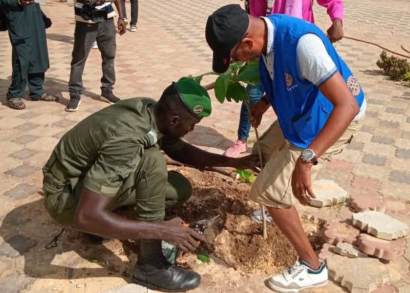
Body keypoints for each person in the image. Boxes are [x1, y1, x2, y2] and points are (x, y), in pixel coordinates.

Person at [205, 5, 366, 292]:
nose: (235, 63)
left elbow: (347, 106)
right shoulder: (267, 35)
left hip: (332, 116)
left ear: (247, 43)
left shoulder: (302, 44)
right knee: (262, 151)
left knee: (267, 191)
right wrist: (265, 102)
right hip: (305, 112)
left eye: (234, 57)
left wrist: (308, 158)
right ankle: (275, 209)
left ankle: (312, 267)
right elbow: (285, 73)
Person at [42, 78, 257, 292]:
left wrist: (232, 162)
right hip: (64, 198)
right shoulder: (127, 139)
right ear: (174, 121)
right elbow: (85, 216)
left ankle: (108, 215)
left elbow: (178, 149)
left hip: (80, 180)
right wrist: (162, 231)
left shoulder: (150, 109)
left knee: (177, 189)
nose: (191, 130)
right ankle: (151, 267)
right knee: (152, 161)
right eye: (191, 125)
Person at [225, 0, 344, 157]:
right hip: (262, 46)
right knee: (253, 93)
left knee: (295, 97)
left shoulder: (305, 45)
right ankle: (242, 139)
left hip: (295, 48)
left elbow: (332, 1)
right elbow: (253, 17)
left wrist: (337, 20)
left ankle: (296, 143)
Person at [66, 0, 126, 112]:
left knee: (109, 56)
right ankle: (75, 93)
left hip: (107, 20)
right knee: (79, 59)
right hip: (85, 21)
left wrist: (122, 17)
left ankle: (107, 90)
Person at [1, 0, 57, 110]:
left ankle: (37, 91)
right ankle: (14, 94)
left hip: (34, 16)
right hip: (18, 17)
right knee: (22, 58)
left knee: (38, 53)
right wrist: (18, 2)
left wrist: (42, 17)